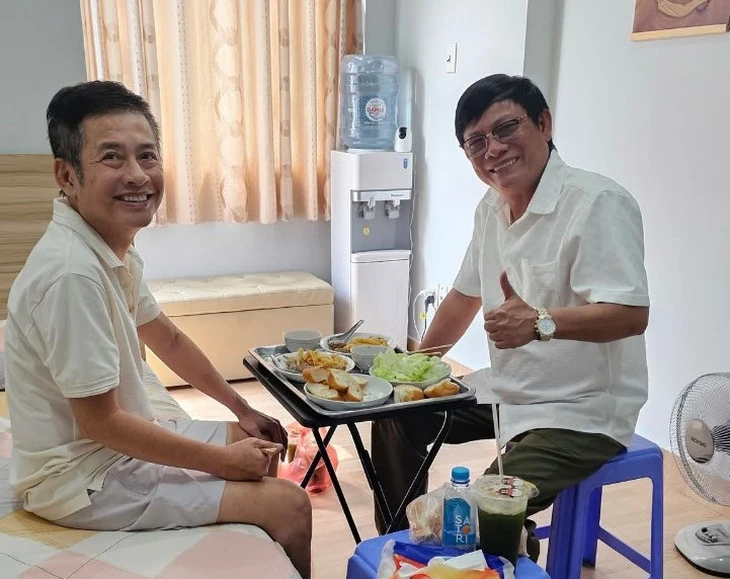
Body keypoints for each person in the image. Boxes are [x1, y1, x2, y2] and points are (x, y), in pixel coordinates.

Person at [4, 81, 312, 578]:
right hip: (79, 480)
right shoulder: (71, 275)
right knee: (291, 505)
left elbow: (167, 339)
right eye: (112, 157)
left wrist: (242, 408)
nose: (137, 175)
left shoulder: (109, 249)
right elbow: (101, 424)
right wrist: (221, 463)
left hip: (108, 450)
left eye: (147, 156)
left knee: (257, 439)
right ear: (67, 175)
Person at [372, 74, 650, 559]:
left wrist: (541, 321)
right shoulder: (492, 207)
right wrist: (412, 371)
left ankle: (503, 551)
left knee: (476, 514)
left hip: (582, 410)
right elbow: (463, 297)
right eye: (476, 142)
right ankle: (399, 545)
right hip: (509, 390)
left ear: (544, 123)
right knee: (396, 415)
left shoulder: (596, 204)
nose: (493, 150)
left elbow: (631, 315)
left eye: (506, 129)